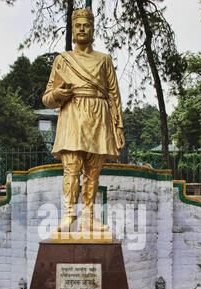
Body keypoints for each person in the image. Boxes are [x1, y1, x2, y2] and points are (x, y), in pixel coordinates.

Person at [42, 8, 125, 233]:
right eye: (77, 25)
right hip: (72, 115)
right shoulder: (63, 60)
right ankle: (69, 214)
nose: (81, 29)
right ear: (72, 30)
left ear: (92, 29)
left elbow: (114, 95)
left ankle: (88, 216)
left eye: (85, 25)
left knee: (93, 172)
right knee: (71, 169)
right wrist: (59, 94)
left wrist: (118, 125)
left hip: (99, 116)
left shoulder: (104, 60)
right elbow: (47, 97)